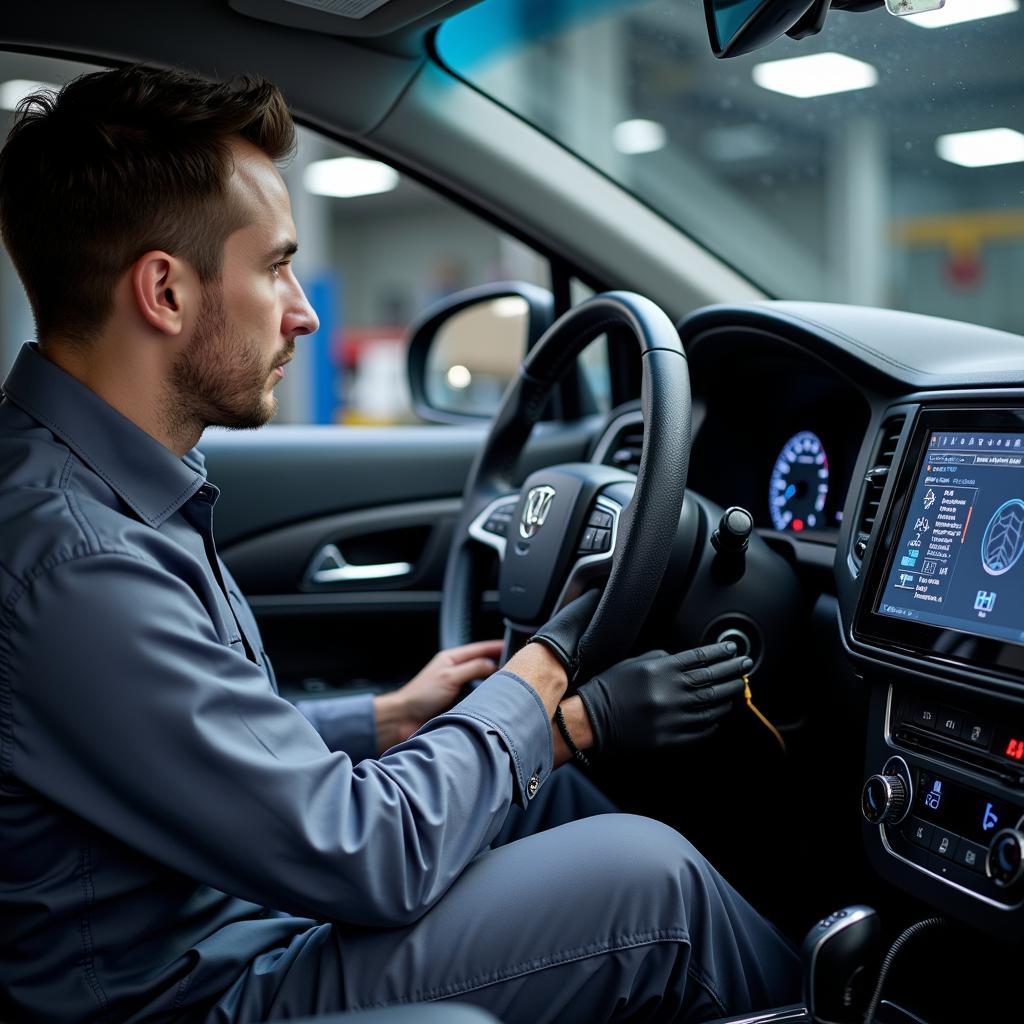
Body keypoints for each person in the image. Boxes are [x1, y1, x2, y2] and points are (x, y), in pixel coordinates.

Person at [0, 66, 801, 1024]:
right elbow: (366, 854)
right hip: (194, 991)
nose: (304, 310)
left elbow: (190, 750)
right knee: (652, 886)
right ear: (164, 292)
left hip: (219, 911)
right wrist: (553, 689)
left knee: (547, 801)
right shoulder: (79, 561)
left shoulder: (90, 492)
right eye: (274, 267)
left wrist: (386, 717)